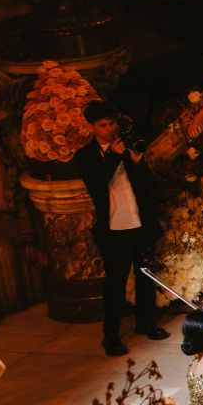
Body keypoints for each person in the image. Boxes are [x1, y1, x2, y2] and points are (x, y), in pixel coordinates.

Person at [72, 102, 166, 357]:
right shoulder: (84, 156)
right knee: (116, 282)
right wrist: (115, 156)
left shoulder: (126, 147)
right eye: (103, 125)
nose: (109, 129)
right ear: (91, 127)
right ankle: (110, 335)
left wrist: (136, 162)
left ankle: (145, 322)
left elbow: (147, 184)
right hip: (114, 226)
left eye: (112, 123)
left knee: (145, 273)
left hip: (138, 220)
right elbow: (98, 183)